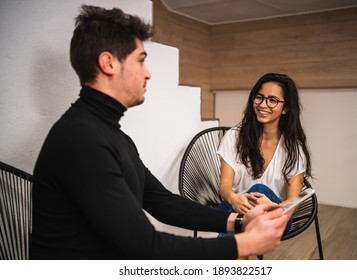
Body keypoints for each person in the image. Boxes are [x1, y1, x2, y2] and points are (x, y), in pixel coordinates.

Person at [29, 5, 292, 260]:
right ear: (108, 63)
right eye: (141, 61)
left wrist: (241, 220)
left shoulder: (111, 135)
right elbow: (144, 248)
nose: (148, 74)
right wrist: (244, 243)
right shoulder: (81, 140)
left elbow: (164, 203)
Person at [217, 73, 312, 231]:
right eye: (259, 97)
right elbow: (225, 186)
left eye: (272, 100)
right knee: (251, 212)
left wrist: (274, 207)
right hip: (235, 208)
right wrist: (234, 199)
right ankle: (247, 254)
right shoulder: (234, 136)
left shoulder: (293, 148)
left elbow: (293, 200)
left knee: (259, 191)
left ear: (285, 108)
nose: (263, 104)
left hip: (276, 213)